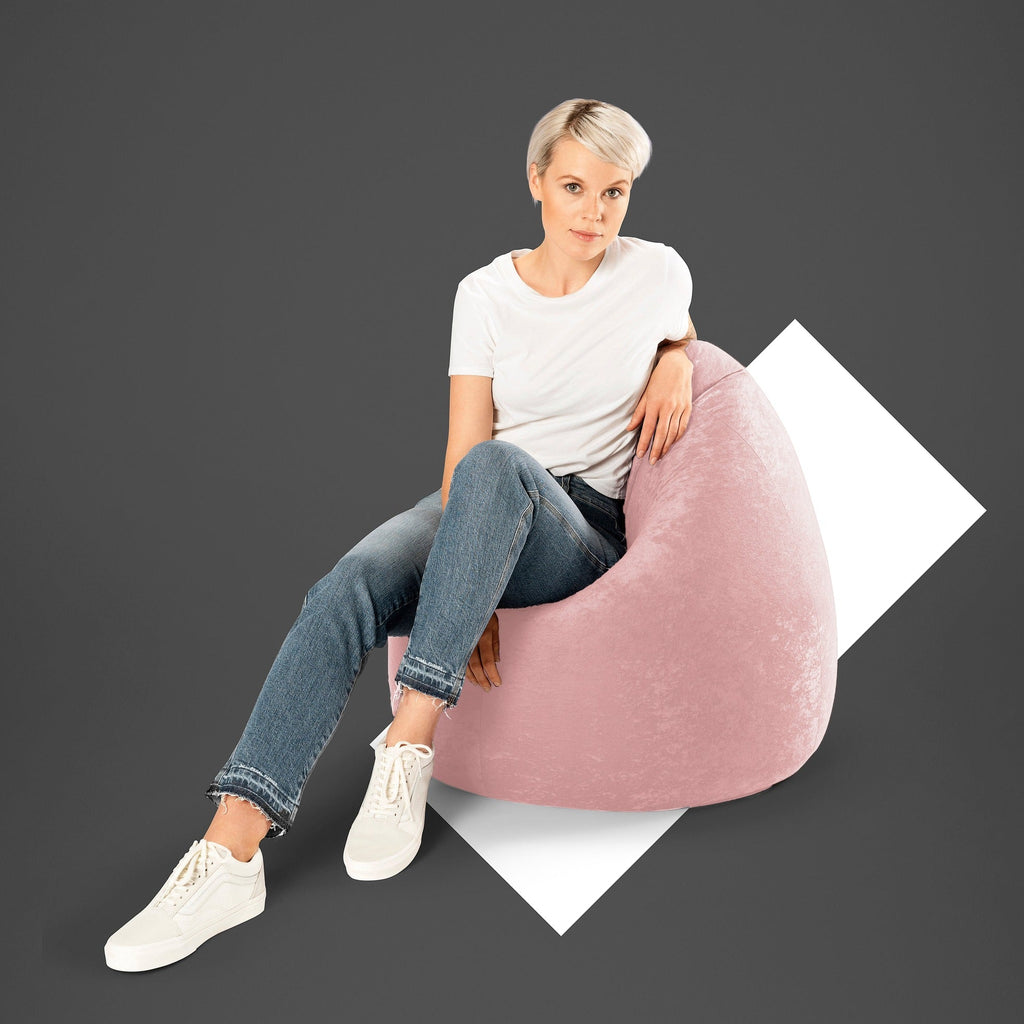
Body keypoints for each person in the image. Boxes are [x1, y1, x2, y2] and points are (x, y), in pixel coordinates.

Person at [103, 97, 698, 972]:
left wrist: (678, 358)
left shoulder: (656, 272)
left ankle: (411, 736)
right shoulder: (484, 294)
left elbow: (683, 336)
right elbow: (465, 449)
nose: (594, 213)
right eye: (574, 187)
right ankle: (230, 851)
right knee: (348, 583)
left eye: (615, 193)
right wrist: (471, 580)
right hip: (482, 498)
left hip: (579, 529)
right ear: (536, 183)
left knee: (502, 468)